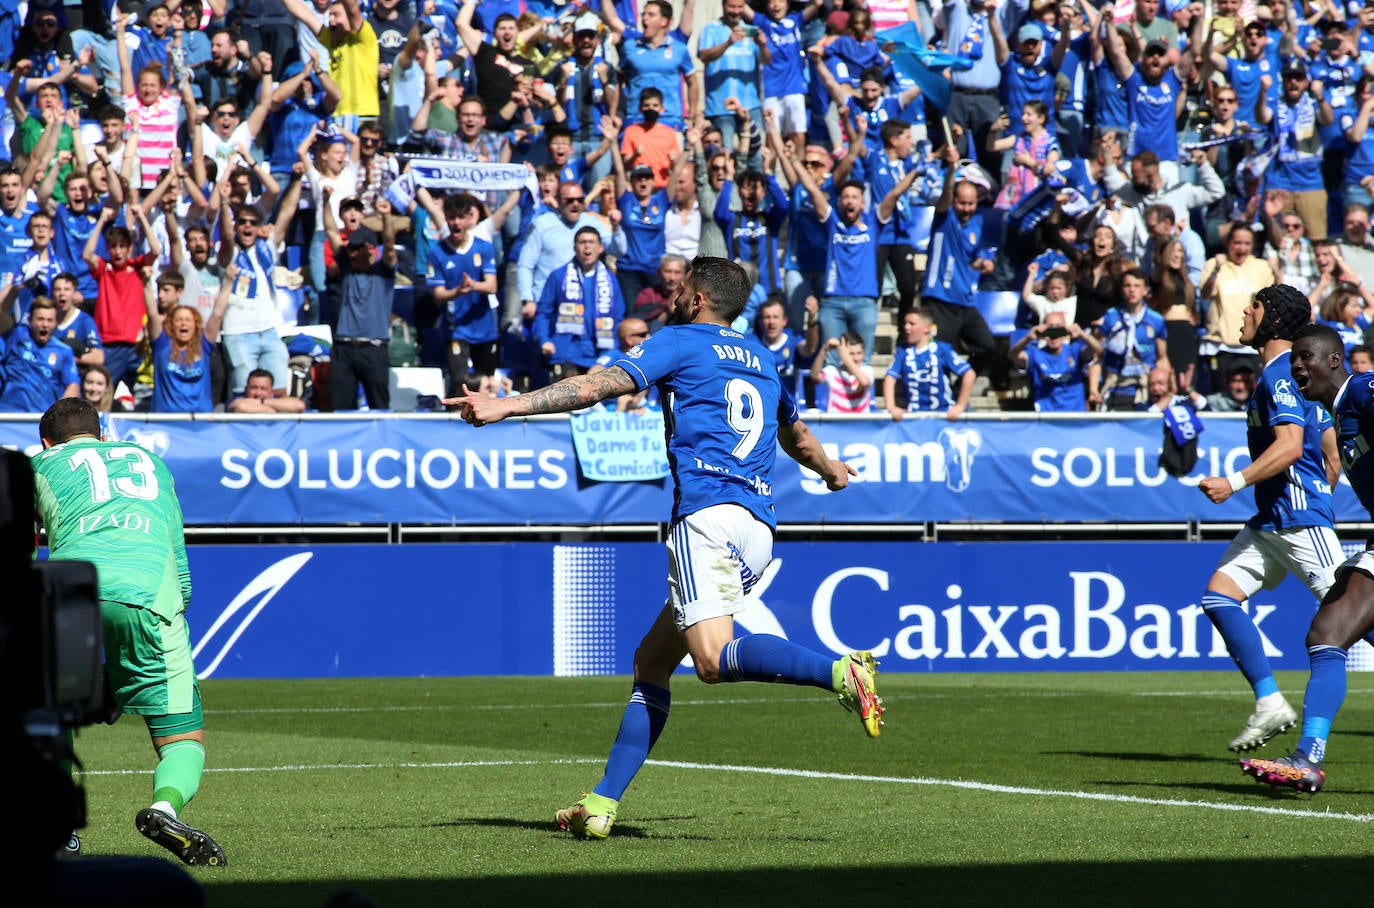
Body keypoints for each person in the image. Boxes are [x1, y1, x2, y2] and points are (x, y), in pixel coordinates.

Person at [446, 255, 876, 840]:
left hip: (707, 518)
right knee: (652, 662)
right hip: (758, 529)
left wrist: (507, 405)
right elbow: (795, 434)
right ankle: (600, 804)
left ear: (698, 299)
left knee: (712, 660)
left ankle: (838, 672)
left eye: (681, 288)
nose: (672, 296)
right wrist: (830, 471)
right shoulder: (763, 359)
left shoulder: (679, 340)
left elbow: (595, 386)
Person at [32, 396, 226, 867]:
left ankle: (59, 829)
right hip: (147, 593)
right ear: (103, 434)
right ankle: (163, 809)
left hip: (70, 589)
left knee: (51, 713)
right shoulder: (153, 464)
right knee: (182, 739)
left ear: (45, 441)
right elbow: (179, 567)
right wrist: (166, 620)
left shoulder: (38, 464)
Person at [1195, 285, 1341, 754]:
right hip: (1273, 522)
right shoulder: (1288, 375)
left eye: (1253, 306)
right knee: (1218, 598)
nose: (1243, 312)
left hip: (1300, 524)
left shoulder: (1280, 374)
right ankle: (1270, 703)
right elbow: (1331, 451)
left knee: (1356, 621)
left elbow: (1292, 446)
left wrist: (1232, 483)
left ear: (1273, 319)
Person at [1241, 323, 1374, 792]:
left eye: (1307, 357)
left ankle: (1308, 756)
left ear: (1335, 360)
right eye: (1293, 358)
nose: (1297, 366)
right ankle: (1308, 757)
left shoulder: (1362, 388)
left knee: (1328, 631)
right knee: (1327, 632)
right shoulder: (1339, 414)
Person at [324, 193, 397, 410]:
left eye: (357, 249)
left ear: (371, 250)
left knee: (380, 409)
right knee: (339, 410)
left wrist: (386, 218)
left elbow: (390, 246)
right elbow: (331, 232)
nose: (352, 253)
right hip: (344, 348)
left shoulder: (383, 272)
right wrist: (325, 201)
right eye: (351, 249)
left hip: (374, 349)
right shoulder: (347, 266)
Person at [883, 308, 975, 420]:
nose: (906, 327)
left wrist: (960, 406)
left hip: (943, 416)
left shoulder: (942, 349)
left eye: (912, 324)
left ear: (926, 328)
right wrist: (891, 408)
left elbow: (969, 374)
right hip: (913, 418)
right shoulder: (902, 352)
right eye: (905, 323)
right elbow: (889, 378)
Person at [1008, 310, 1102, 412]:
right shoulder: (1035, 354)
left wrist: (1081, 334)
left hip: (1074, 416)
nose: (1054, 333)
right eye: (1050, 327)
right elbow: (1013, 356)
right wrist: (1028, 338)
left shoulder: (1074, 351)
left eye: (1058, 327)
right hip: (1046, 418)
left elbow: (1098, 350)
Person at [0, 294, 79, 411]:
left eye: (50, 320)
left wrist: (58, 414)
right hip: (9, 414)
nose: (45, 325)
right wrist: (16, 287)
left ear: (56, 323)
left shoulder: (64, 350)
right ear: (30, 320)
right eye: (40, 319)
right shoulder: (16, 335)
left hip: (41, 416)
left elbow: (73, 386)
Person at [811, 331, 873, 413]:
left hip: (860, 423)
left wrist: (844, 356)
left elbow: (864, 382)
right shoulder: (832, 371)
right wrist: (824, 350)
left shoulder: (867, 370)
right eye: (851, 353)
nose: (856, 358)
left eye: (859, 353)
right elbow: (815, 376)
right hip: (836, 423)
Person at [227, 367, 307, 413]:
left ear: (272, 392)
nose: (258, 393)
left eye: (263, 389)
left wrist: (261, 402)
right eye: (254, 388)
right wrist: (278, 411)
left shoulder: (275, 399)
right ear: (246, 389)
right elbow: (242, 407)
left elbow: (299, 405)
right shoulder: (236, 399)